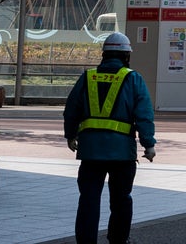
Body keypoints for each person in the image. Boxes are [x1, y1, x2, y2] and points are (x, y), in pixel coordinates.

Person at [63, 31, 156, 244]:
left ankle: (86, 241)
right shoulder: (133, 79)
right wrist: (148, 144)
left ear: (104, 54)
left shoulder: (87, 77)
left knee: (88, 200)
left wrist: (70, 135)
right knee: (121, 200)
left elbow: (71, 110)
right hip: (122, 154)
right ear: (126, 56)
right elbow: (144, 115)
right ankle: (117, 239)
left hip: (90, 152)